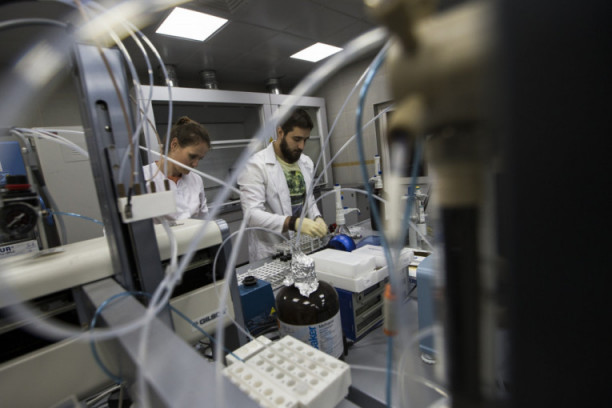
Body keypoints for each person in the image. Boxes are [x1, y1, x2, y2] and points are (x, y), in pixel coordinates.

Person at [238, 108, 328, 262]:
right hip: (271, 252)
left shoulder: (306, 162)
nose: (302, 146)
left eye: (305, 140)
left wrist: (317, 217)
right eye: (297, 139)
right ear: (280, 132)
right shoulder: (255, 165)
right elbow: (252, 215)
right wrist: (293, 223)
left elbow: (309, 199)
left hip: (303, 247)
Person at [143, 116, 210, 222]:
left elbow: (204, 220)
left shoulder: (196, 180)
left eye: (200, 159)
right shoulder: (144, 177)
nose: (195, 164)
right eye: (192, 156)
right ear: (174, 145)